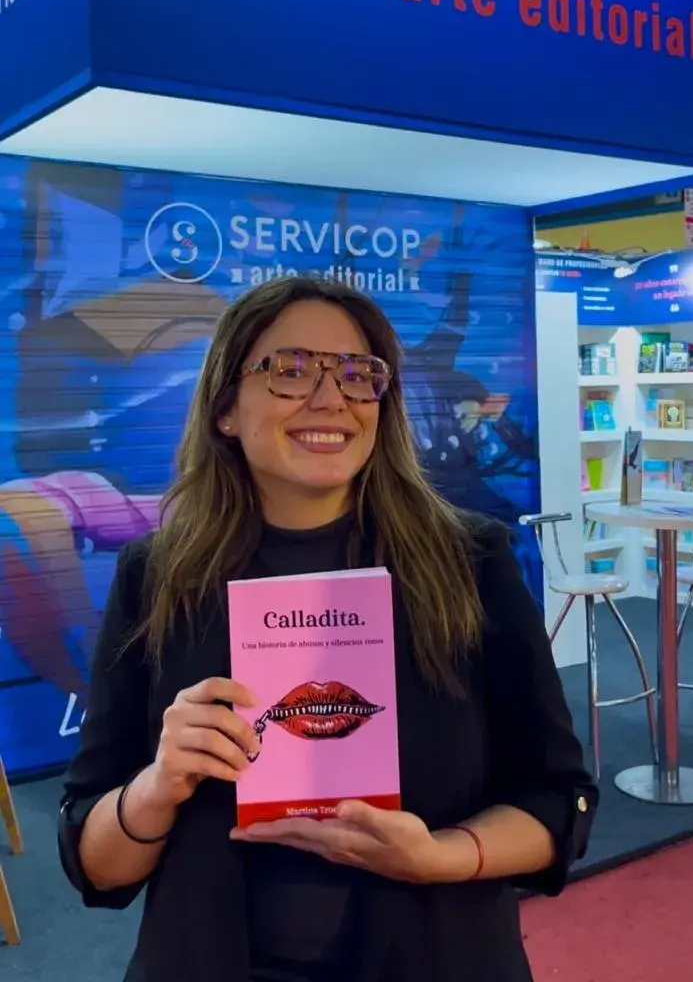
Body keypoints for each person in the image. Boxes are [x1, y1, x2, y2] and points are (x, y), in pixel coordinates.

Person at [58, 276, 597, 982]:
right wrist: (156, 786)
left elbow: (556, 799)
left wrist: (439, 855)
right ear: (225, 407)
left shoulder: (470, 562)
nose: (329, 397)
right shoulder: (156, 576)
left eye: (356, 374)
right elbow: (96, 864)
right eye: (290, 369)